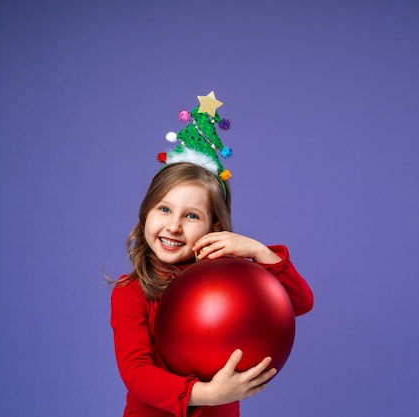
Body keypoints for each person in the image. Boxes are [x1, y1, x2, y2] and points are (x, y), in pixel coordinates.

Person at [109, 93, 314, 417]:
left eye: (191, 216)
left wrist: (259, 252)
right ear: (146, 213)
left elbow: (300, 302)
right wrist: (207, 394)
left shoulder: (230, 278)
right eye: (164, 209)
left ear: (214, 226)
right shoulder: (130, 292)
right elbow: (136, 376)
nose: (173, 226)